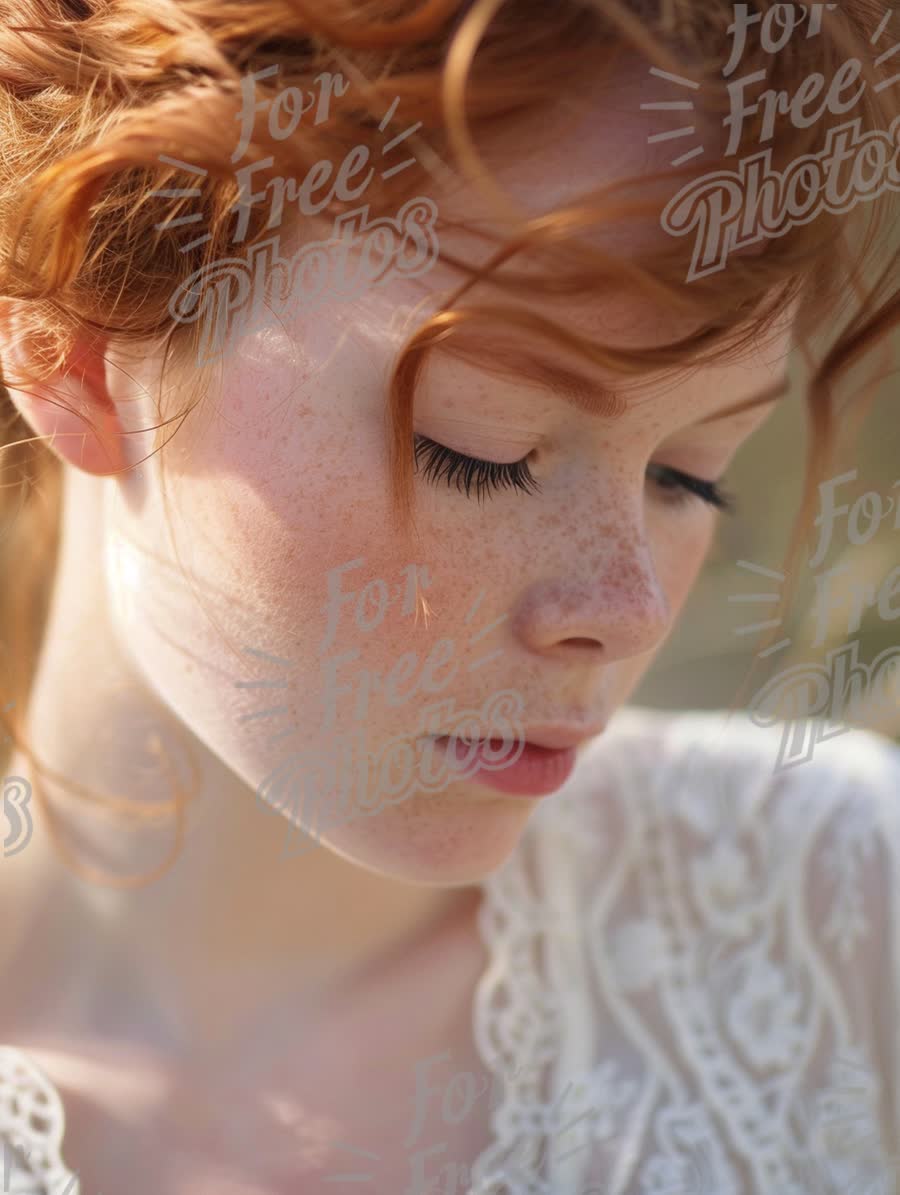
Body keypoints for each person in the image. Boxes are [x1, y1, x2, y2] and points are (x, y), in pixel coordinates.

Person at [0, 0, 898, 1192]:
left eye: (691, 475)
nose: (623, 607)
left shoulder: (837, 910)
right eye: (479, 448)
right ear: (76, 354)